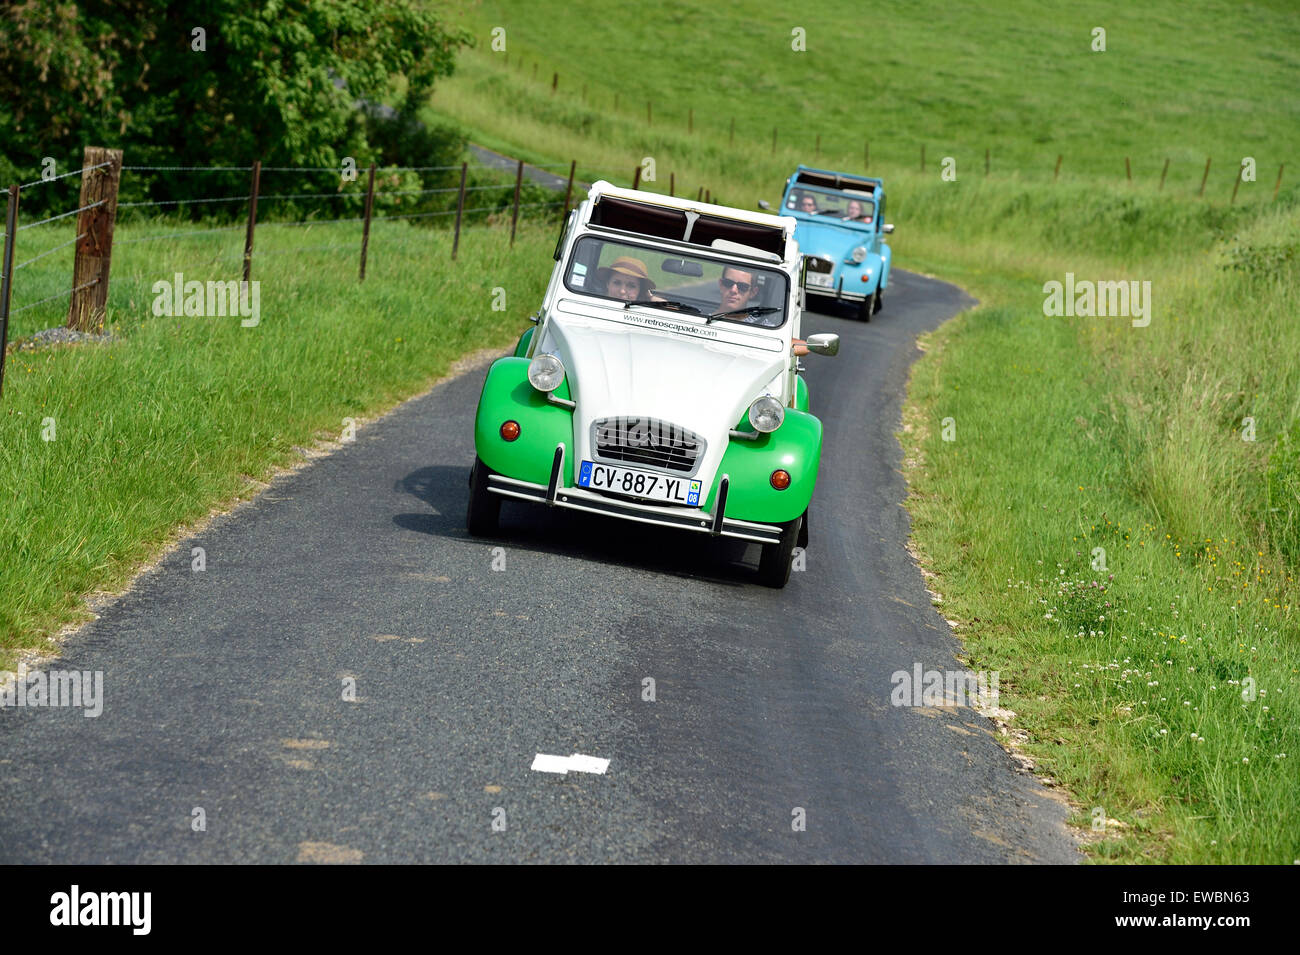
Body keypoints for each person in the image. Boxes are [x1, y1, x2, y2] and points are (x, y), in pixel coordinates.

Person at [716, 266, 808, 355]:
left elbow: (804, 347)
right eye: (728, 283)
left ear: (753, 292)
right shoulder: (703, 318)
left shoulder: (765, 326)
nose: (733, 290)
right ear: (720, 284)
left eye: (742, 287)